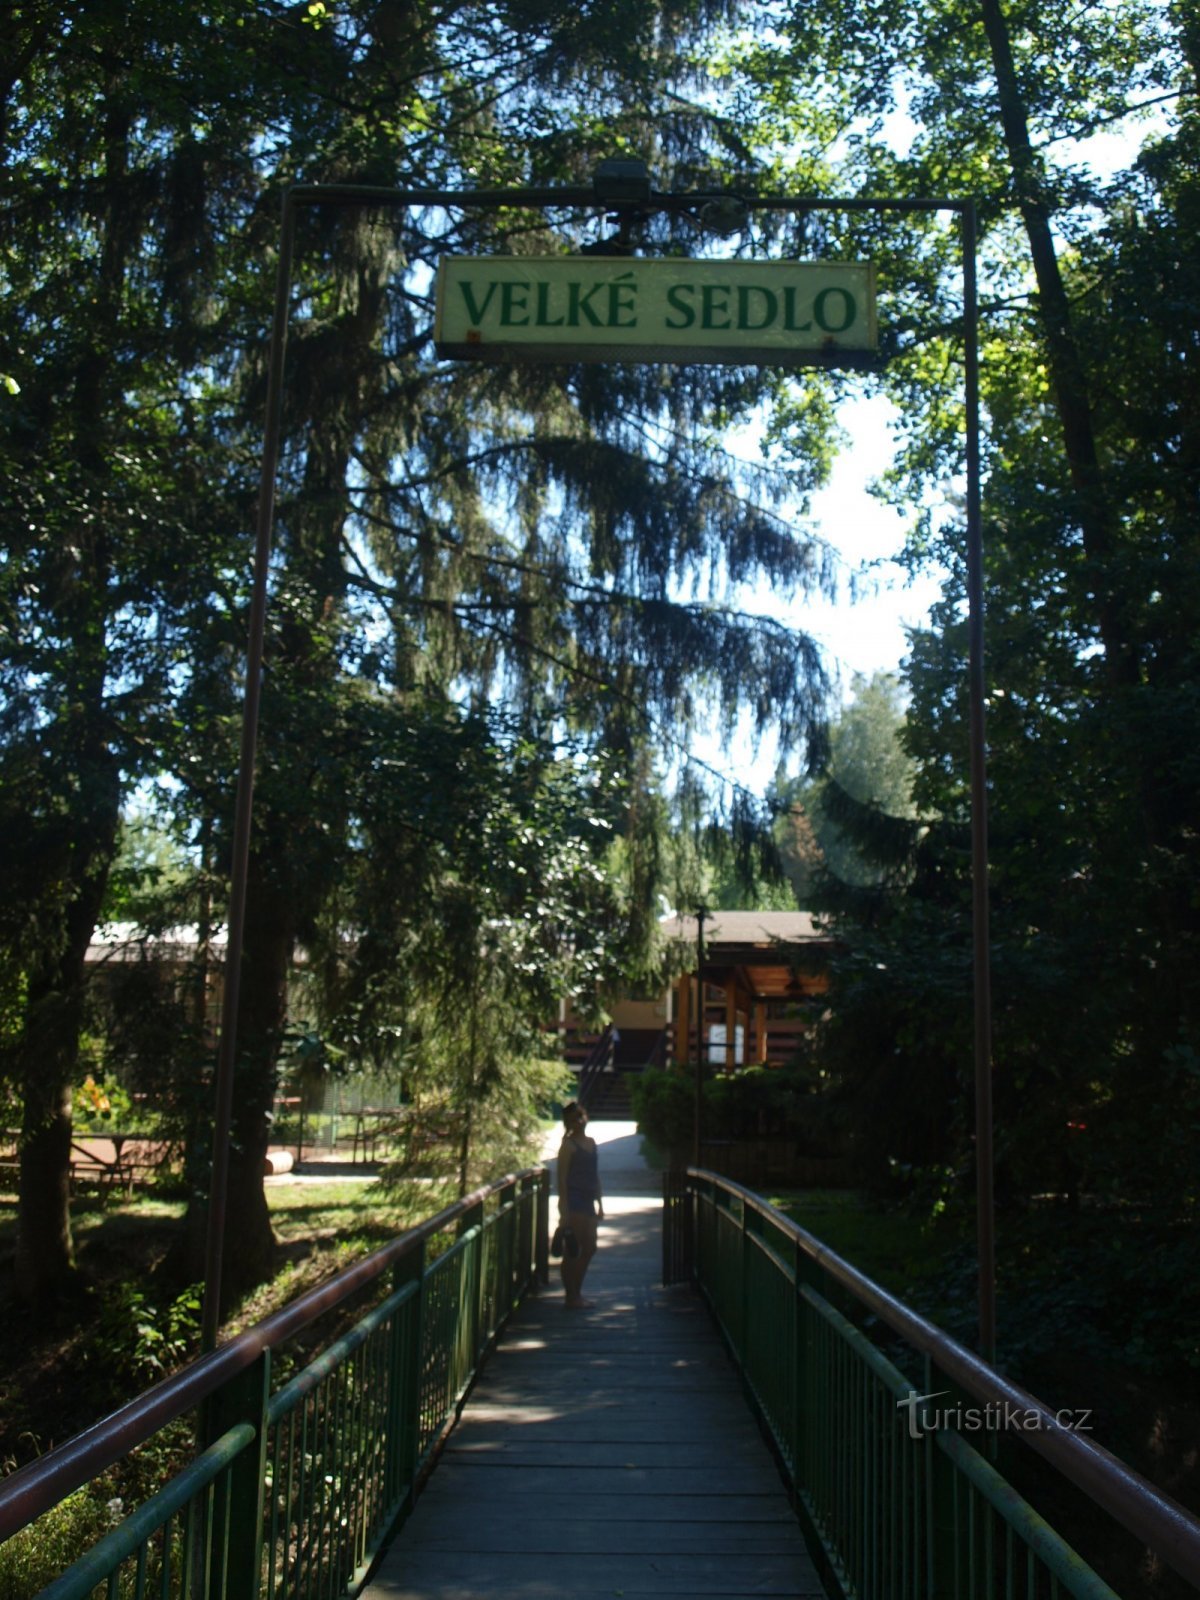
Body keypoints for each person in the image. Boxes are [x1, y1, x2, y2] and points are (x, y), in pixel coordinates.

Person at [557, 1101, 603, 1308]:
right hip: (574, 1201)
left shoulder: (592, 1143)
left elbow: (595, 1175)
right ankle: (571, 1295)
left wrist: (600, 1203)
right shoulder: (568, 1146)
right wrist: (564, 1209)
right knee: (573, 1250)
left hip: (589, 1201)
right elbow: (562, 1179)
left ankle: (577, 1290)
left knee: (590, 1247)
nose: (580, 1120)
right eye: (575, 1117)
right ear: (569, 1122)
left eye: (582, 1115)